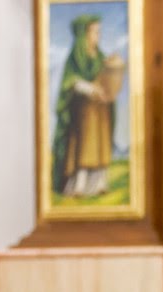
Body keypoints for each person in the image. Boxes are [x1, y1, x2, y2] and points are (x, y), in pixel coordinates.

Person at [51, 14, 118, 199]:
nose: (98, 36)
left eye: (99, 32)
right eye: (95, 32)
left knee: (101, 146)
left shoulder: (100, 56)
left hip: (101, 112)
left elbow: (107, 78)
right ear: (84, 35)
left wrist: (106, 87)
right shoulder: (75, 59)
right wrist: (87, 88)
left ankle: (99, 183)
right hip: (83, 114)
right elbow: (69, 82)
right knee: (83, 148)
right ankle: (79, 185)